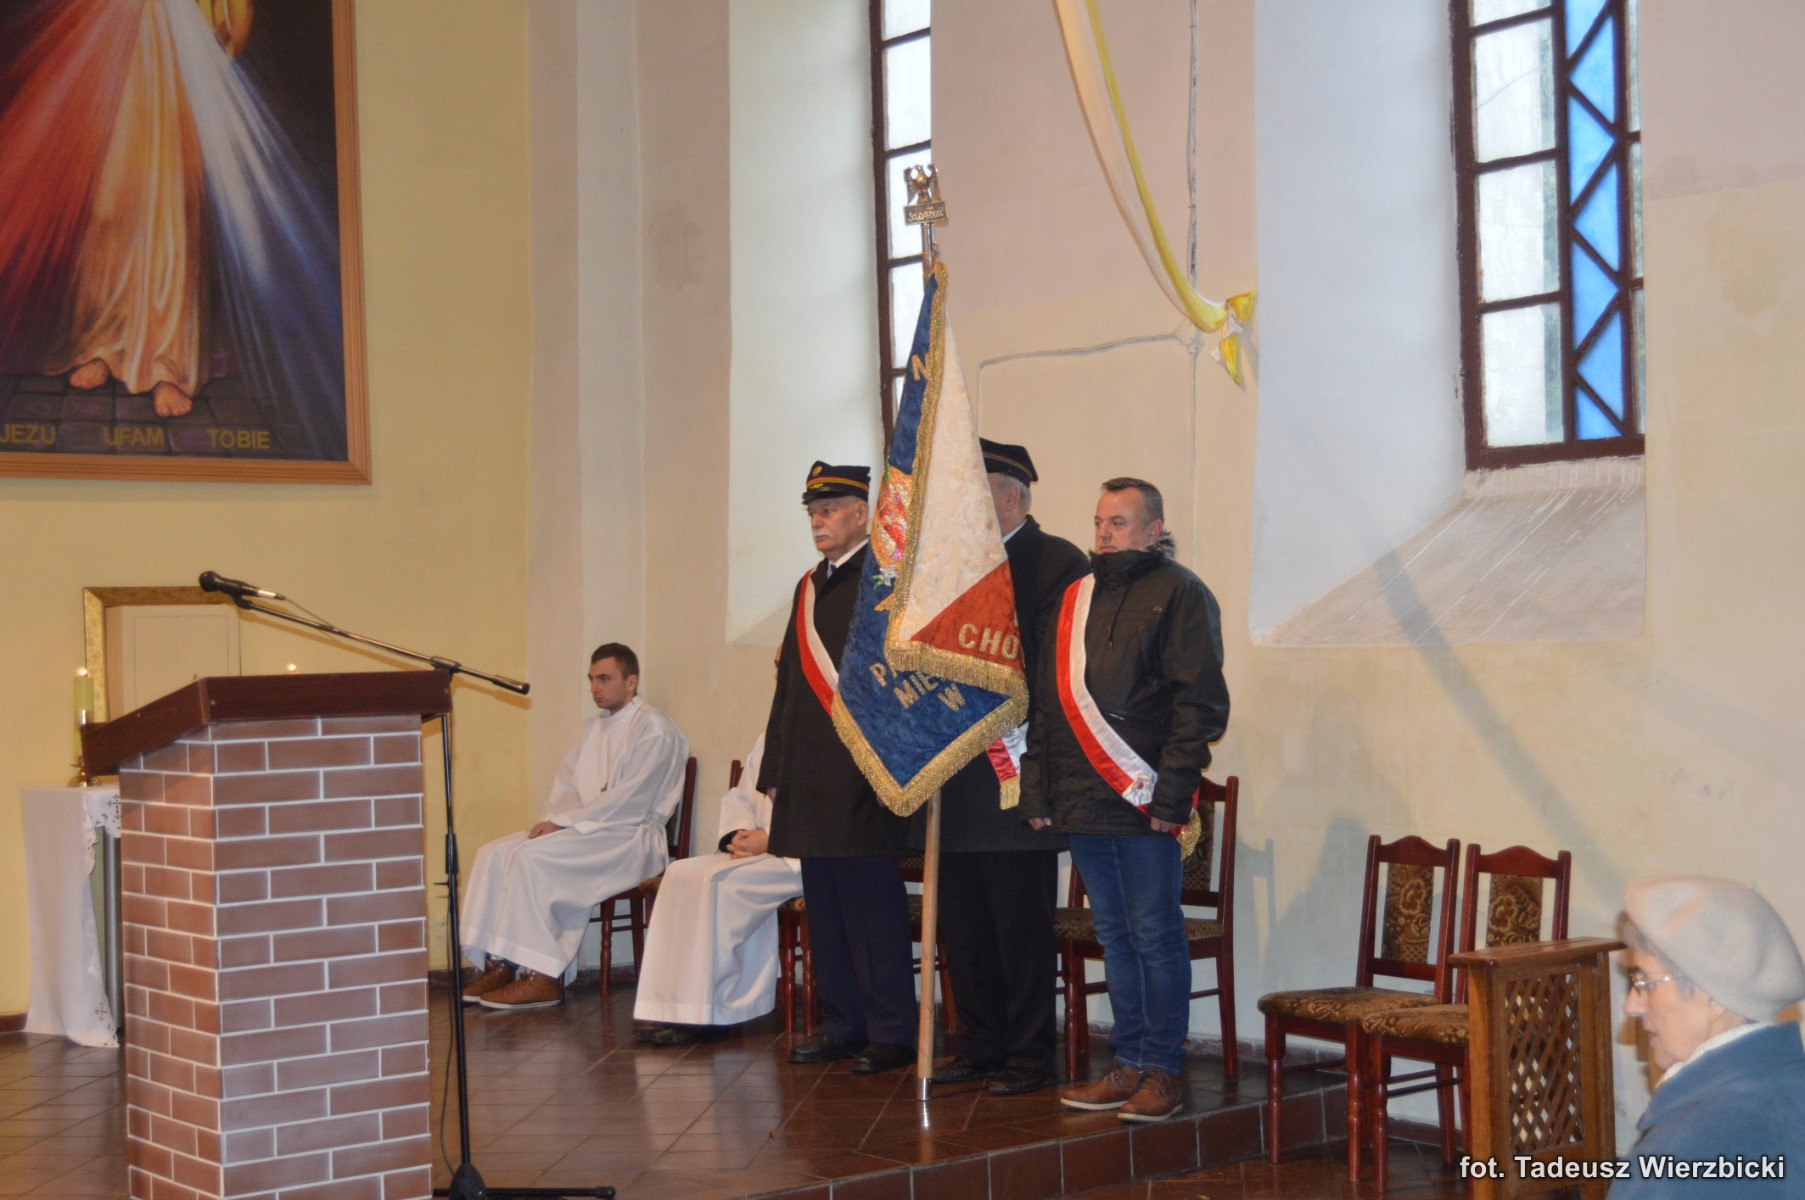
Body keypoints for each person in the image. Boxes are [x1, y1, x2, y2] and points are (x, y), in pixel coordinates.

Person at [1020, 477, 1230, 1123]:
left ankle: (1162, 1071)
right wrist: (1038, 787)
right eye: (1098, 522)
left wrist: (1172, 795)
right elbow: (1047, 703)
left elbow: (1199, 704)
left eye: (1118, 522)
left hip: (1141, 795)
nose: (1104, 534)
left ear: (1152, 529)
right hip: (1081, 795)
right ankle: (1129, 1063)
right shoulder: (1075, 597)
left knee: (1154, 936)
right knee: (1114, 936)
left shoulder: (1181, 593)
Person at [926, 439, 1088, 1096]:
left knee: (1019, 929)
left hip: (1018, 775)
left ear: (1012, 495)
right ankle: (981, 1044)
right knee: (963, 926)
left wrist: (1043, 779)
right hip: (956, 777)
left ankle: (1028, 1055)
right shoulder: (953, 569)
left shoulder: (1058, 563)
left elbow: (1058, 673)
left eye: (977, 488)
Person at [760, 461, 917, 1074]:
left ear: (861, 513)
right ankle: (843, 1023)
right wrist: (775, 769)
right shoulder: (808, 587)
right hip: (808, 778)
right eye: (812, 512)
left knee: (872, 911)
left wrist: (889, 767)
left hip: (859, 777)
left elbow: (896, 685)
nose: (818, 521)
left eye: (828, 510)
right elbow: (789, 688)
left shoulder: (883, 582)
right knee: (825, 911)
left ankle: (891, 1031)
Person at [460, 643, 690, 1010]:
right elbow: (567, 786)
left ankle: (542, 976)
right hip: (592, 830)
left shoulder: (655, 729)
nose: (595, 688)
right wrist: (557, 821)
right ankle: (502, 962)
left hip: (631, 838)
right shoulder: (592, 729)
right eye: (591, 680)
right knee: (495, 852)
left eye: (605, 679)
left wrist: (566, 823)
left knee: (532, 860)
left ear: (631, 682)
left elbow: (631, 800)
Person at [1612, 876, 1805, 1197]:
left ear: (1713, 998)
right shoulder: (1789, 1086)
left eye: (1644, 983)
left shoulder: (1693, 1145)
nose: (1631, 1006)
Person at [631, 731, 802, 1044]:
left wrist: (770, 838)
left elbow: (825, 809)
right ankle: (674, 1005)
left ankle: (716, 1009)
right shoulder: (770, 735)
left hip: (800, 857)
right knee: (680, 872)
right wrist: (738, 834)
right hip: (760, 851)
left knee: (719, 883)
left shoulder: (831, 728)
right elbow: (742, 796)